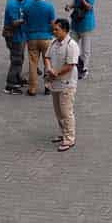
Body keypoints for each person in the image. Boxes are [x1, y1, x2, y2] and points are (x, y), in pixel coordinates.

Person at [44, 17, 81, 151]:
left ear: (65, 30)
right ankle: (63, 133)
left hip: (67, 83)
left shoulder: (71, 45)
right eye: (54, 29)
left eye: (56, 29)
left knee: (66, 111)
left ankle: (69, 138)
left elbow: (70, 65)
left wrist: (56, 73)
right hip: (55, 83)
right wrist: (49, 69)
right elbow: (47, 57)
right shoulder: (53, 42)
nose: (54, 32)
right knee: (58, 111)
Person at [23, 0, 56, 95]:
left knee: (33, 63)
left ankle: (32, 88)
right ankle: (48, 86)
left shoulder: (27, 7)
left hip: (32, 37)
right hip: (46, 37)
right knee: (48, 62)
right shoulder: (49, 6)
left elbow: (25, 22)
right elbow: (53, 24)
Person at [2, 0, 33, 95]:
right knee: (16, 60)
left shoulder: (18, 1)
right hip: (13, 36)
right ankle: (10, 85)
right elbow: (14, 22)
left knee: (20, 58)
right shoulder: (12, 4)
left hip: (20, 35)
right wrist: (26, 18)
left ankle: (17, 78)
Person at [68, 0, 97, 76]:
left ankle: (83, 69)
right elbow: (75, 2)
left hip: (86, 24)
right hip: (76, 23)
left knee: (85, 50)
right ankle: (75, 66)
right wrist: (69, 6)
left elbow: (89, 7)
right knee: (73, 46)